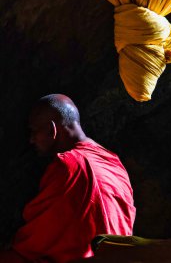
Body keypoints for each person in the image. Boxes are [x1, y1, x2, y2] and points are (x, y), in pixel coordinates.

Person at [0, 94, 135, 263]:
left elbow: (37, 238)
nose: (31, 140)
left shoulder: (67, 166)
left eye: (34, 131)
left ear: (52, 130)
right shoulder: (114, 162)